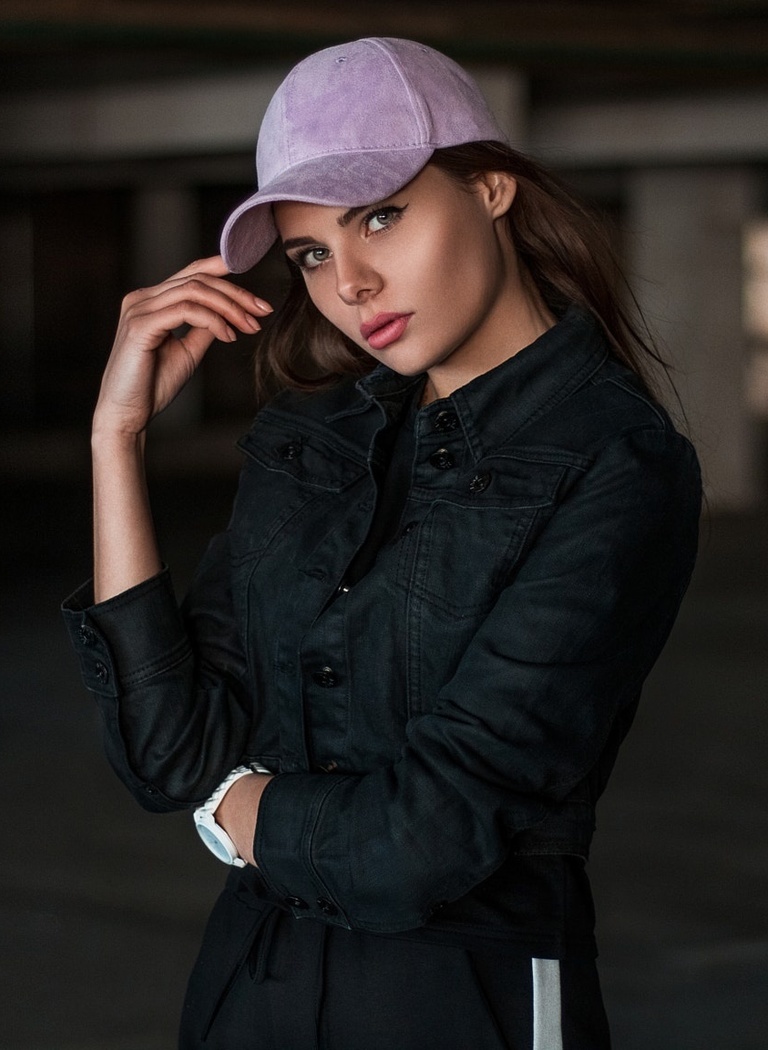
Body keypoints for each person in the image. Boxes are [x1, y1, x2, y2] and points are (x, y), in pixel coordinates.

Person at [62, 37, 701, 1050]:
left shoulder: (614, 462)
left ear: (491, 189)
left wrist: (234, 813)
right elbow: (168, 749)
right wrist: (116, 439)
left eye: (382, 219)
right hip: (251, 982)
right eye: (313, 253)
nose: (350, 283)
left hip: (459, 1000)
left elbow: (422, 841)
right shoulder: (315, 434)